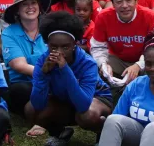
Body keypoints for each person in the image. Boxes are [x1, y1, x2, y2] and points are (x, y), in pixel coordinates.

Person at [29, 11, 112, 144]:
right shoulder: (43, 61)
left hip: (95, 99)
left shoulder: (87, 63)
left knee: (86, 115)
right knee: (31, 109)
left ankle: (103, 133)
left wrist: (65, 69)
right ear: (47, 44)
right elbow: (37, 103)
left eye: (65, 47)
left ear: (75, 45)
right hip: (66, 100)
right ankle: (60, 133)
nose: (59, 52)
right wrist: (44, 75)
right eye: (53, 47)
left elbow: (84, 105)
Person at [90, 0, 154, 80]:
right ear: (113, 3)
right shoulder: (103, 17)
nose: (124, 6)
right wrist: (103, 65)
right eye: (119, 1)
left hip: (145, 60)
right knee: (97, 67)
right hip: (117, 60)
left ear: (136, 1)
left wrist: (138, 65)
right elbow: (97, 47)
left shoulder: (150, 16)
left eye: (128, 0)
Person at [0, 0, 49, 123]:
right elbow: (19, 65)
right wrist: (47, 74)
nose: (30, 7)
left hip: (51, 79)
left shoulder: (49, 28)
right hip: (25, 84)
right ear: (17, 10)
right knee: (20, 90)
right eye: (25, 5)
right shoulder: (8, 33)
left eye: (33, 3)